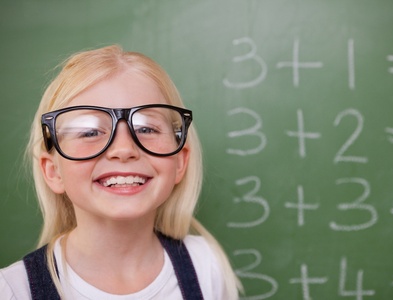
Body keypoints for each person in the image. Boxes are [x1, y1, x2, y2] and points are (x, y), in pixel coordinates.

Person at [0, 45, 241, 299]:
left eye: (147, 128)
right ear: (53, 172)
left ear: (180, 162)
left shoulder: (205, 266)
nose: (124, 149)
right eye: (90, 131)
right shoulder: (13, 291)